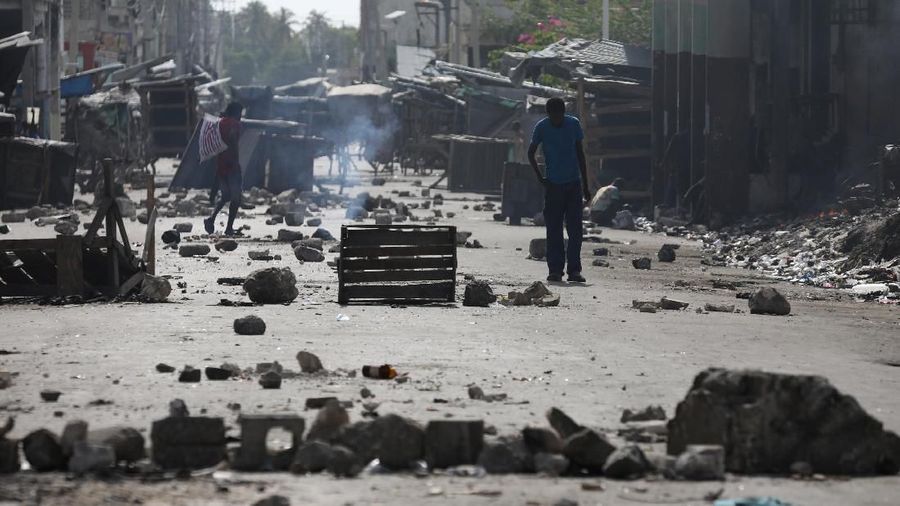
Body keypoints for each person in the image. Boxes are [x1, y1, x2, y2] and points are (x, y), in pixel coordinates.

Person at [528, 97, 591, 283]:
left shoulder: (573, 124)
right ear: (548, 114)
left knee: (575, 230)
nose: (557, 119)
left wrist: (586, 185)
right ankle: (555, 270)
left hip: (573, 184)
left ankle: (574, 270)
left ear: (563, 113)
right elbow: (531, 153)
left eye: (559, 116)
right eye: (553, 116)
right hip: (553, 185)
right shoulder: (542, 127)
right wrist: (540, 177)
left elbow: (580, 154)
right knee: (554, 230)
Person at [204, 102, 243, 236]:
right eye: (240, 113)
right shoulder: (234, 124)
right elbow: (233, 140)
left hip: (221, 164)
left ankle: (211, 218)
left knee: (226, 195)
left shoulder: (220, 123)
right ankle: (229, 228)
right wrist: (236, 162)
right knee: (236, 198)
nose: (241, 116)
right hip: (232, 165)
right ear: (236, 112)